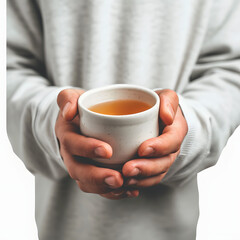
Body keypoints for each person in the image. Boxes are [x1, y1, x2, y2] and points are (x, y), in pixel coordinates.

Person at [7, 0, 240, 239]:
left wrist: (186, 131)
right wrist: (51, 124)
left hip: (170, 228)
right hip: (62, 226)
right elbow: (10, 67)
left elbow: (228, 68)